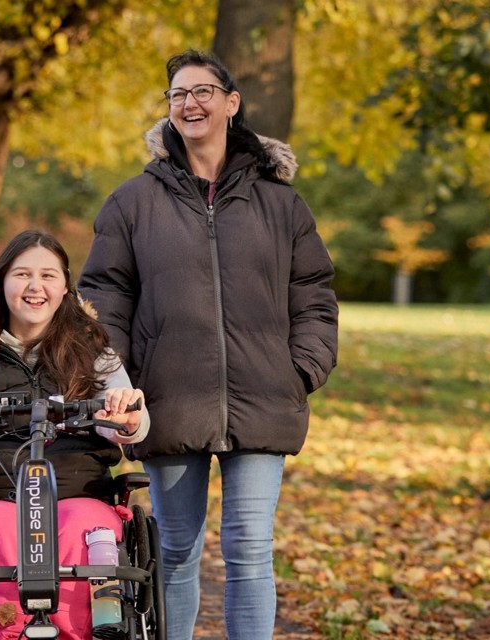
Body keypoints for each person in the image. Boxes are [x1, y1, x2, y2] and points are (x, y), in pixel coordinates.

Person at [77, 50, 339, 640]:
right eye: (177, 95)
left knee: (250, 550)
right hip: (168, 399)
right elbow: (103, 297)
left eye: (201, 91)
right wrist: (117, 380)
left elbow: (314, 293)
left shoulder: (281, 203)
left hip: (264, 395)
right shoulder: (131, 203)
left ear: (230, 102)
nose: (189, 103)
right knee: (176, 551)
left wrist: (301, 369)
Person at [0, 229, 149, 640]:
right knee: (0, 527)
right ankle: (8, 631)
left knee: (86, 525)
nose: (36, 287)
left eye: (49, 276)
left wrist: (126, 419)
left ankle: (81, 630)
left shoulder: (92, 349)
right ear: (1, 283)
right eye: (22, 274)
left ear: (65, 288)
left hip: (77, 492)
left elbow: (131, 427)